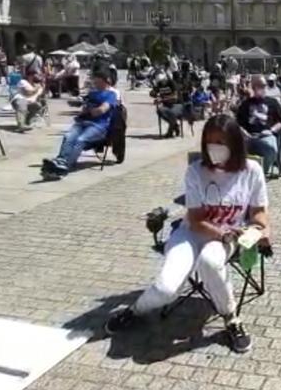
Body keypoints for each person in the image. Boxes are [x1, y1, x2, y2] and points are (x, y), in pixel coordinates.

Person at [105, 115, 269, 353]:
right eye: (210, 142)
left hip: (230, 236)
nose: (215, 148)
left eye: (221, 142)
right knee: (166, 289)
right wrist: (222, 234)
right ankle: (135, 311)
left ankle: (231, 318)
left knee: (210, 261)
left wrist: (260, 231)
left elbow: (260, 213)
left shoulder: (251, 170)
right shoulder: (196, 171)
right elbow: (195, 219)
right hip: (195, 232)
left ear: (235, 143)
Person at [41, 68, 118, 179]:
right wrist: (77, 103)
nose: (94, 82)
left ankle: (65, 166)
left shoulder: (111, 94)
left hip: (99, 126)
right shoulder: (92, 93)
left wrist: (90, 109)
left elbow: (102, 110)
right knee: (68, 136)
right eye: (94, 79)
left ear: (105, 80)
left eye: (97, 79)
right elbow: (81, 107)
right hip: (83, 122)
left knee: (81, 140)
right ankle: (60, 161)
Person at [235, 75, 281, 176]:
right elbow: (237, 123)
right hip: (248, 136)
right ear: (253, 87)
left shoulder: (273, 102)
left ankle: (260, 173)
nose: (263, 88)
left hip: (266, 135)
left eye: (264, 85)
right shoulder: (245, 104)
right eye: (260, 86)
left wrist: (271, 130)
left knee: (271, 148)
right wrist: (243, 132)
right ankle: (244, 175)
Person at [151, 73, 184, 138]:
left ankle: (170, 132)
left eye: (163, 81)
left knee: (171, 113)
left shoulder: (172, 83)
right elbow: (153, 93)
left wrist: (162, 99)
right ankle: (174, 125)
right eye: (161, 82)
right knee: (160, 111)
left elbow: (175, 97)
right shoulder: (159, 84)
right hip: (167, 105)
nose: (163, 83)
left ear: (166, 79)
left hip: (177, 104)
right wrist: (154, 94)